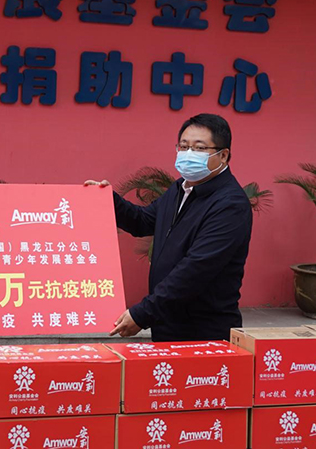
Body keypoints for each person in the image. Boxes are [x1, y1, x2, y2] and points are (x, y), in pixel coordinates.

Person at [86, 113, 252, 342]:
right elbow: (143, 221)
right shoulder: (181, 188)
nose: (189, 154)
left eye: (199, 148)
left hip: (204, 333)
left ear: (223, 155)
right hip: (167, 323)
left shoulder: (230, 205)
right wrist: (109, 202)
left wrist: (142, 314)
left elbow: (195, 270)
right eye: (184, 146)